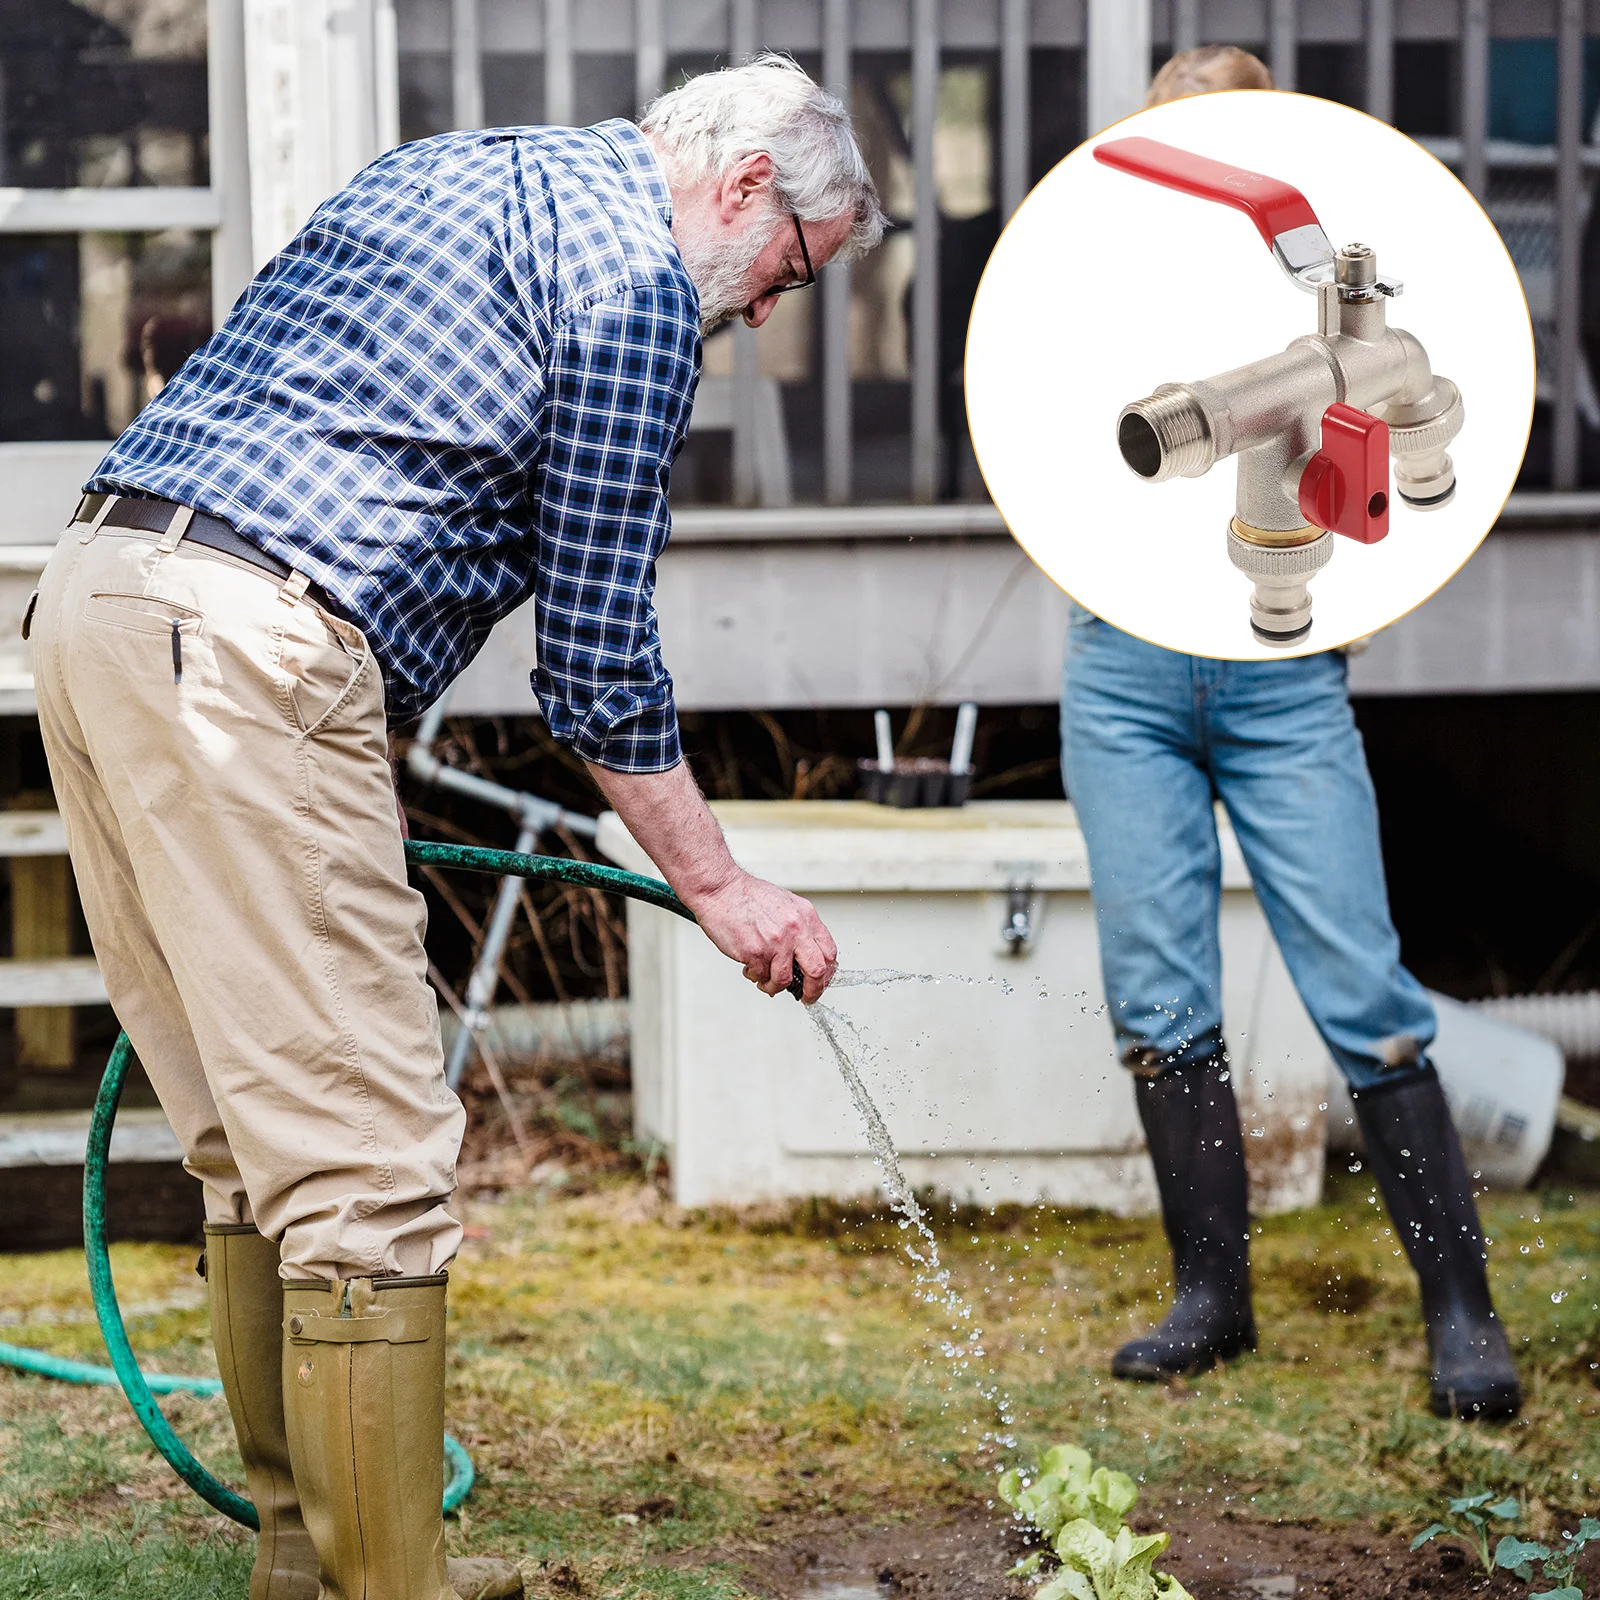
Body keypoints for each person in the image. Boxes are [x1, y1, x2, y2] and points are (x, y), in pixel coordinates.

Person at [29, 55, 883, 1600]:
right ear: (748, 186)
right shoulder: (637, 292)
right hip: (249, 647)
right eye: (787, 277)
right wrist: (724, 886)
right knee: (365, 1168)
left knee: (250, 1137)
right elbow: (600, 662)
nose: (762, 315)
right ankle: (383, 1589)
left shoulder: (458, 168)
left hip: (97, 599)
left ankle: (308, 1555)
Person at [1062, 47, 1520, 1421]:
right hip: (1122, 673)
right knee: (1159, 1000)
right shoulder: (1088, 281)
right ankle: (1213, 1301)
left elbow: (1402, 467)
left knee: (1365, 999)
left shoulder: (1327, 294)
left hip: (1279, 680)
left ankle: (1466, 1322)